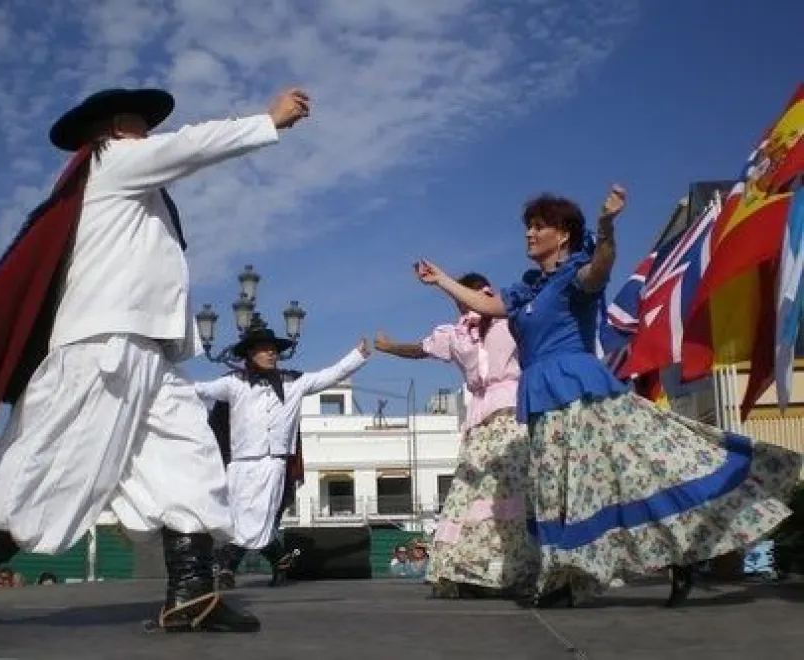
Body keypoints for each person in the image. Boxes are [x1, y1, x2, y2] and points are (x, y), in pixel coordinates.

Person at [0, 84, 311, 633]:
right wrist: (268, 121)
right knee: (58, 465)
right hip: (102, 347)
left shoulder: (144, 191)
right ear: (118, 127)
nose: (152, 134)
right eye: (143, 124)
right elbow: (190, 147)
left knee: (191, 460)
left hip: (152, 353)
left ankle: (190, 596)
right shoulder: (111, 161)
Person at [414, 185, 799, 607]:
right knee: (556, 490)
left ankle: (571, 579)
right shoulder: (528, 291)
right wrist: (442, 280)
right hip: (542, 396)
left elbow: (599, 269)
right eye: (528, 226)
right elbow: (486, 306)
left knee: (599, 483)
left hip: (579, 392)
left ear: (563, 235)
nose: (529, 234)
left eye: (538, 227)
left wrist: (607, 228)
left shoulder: (573, 277)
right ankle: (583, 571)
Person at [375, 272, 536, 599]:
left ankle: (519, 567)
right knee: (471, 490)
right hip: (480, 419)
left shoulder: (509, 317)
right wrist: (388, 347)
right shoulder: (455, 334)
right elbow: (420, 349)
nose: (462, 301)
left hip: (514, 410)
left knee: (513, 490)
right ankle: (465, 569)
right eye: (458, 296)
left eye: (468, 293)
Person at [197, 320, 371, 589]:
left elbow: (330, 375)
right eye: (264, 349)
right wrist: (163, 386)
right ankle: (279, 561)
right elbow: (200, 390)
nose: (271, 354)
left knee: (261, 517)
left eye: (273, 349)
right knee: (237, 518)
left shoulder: (294, 382)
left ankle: (228, 566)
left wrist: (357, 355)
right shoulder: (234, 383)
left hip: (274, 461)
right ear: (250, 354)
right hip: (241, 463)